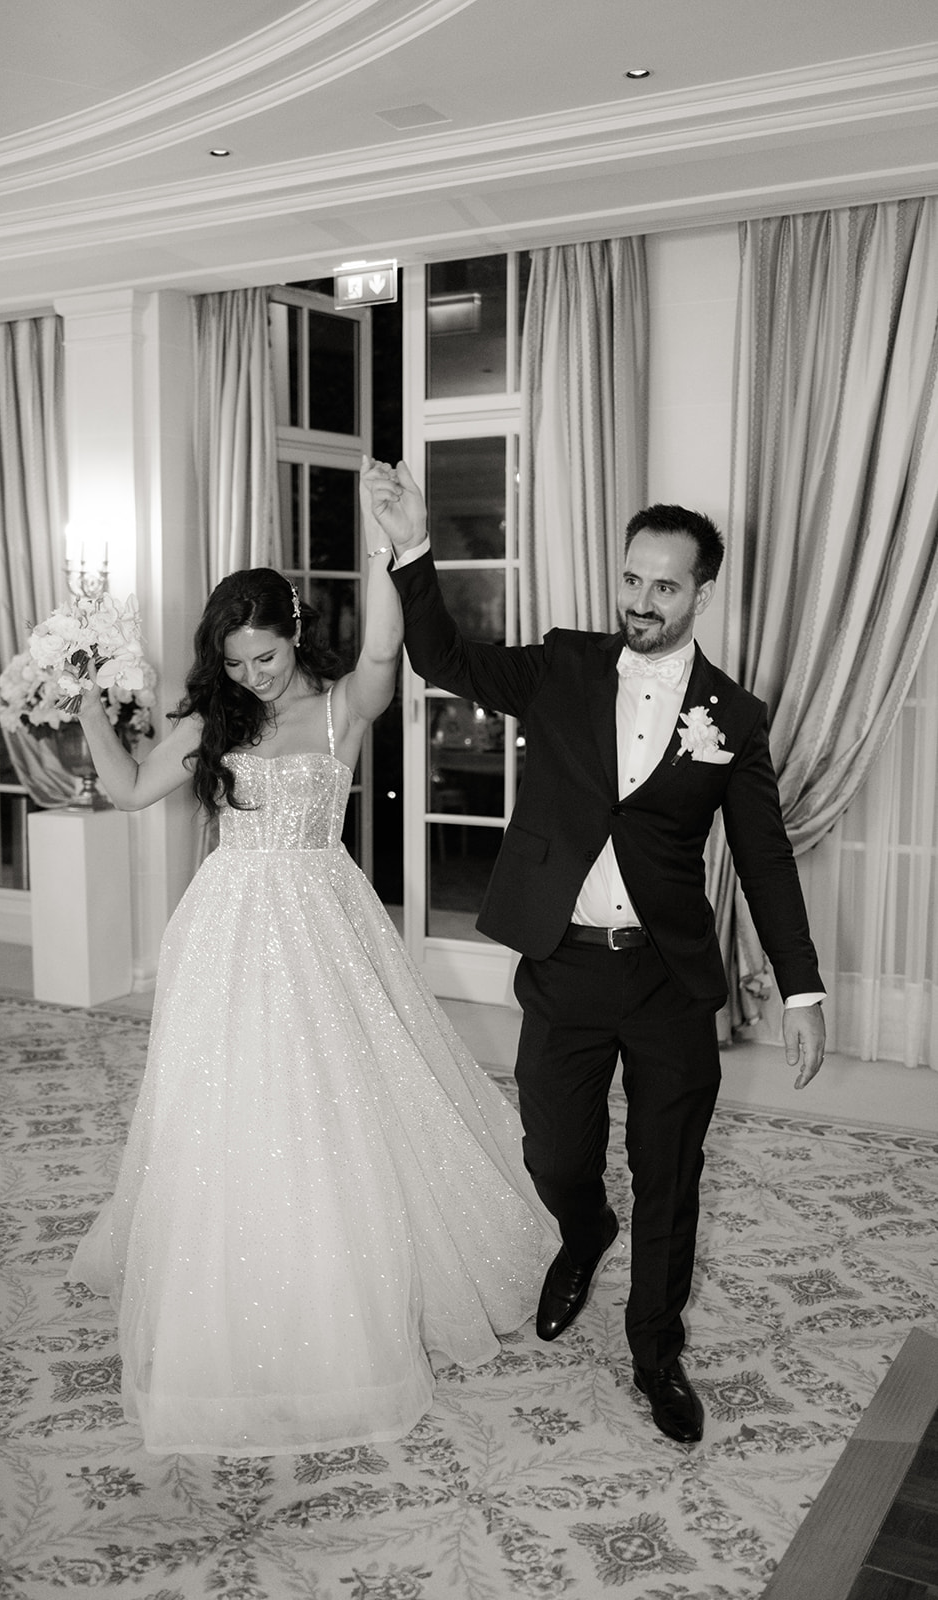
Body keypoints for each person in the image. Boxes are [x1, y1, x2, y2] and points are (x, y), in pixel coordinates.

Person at [65, 525, 558, 1457]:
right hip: (225, 924)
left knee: (341, 1097)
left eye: (266, 653)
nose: (252, 673)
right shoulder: (217, 722)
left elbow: (383, 649)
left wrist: (387, 547)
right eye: (237, 659)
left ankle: (341, 1279)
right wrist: (86, 703)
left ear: (294, 632)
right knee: (230, 1103)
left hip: (321, 916)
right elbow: (129, 790)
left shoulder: (341, 711)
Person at [362, 457, 826, 1446]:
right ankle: (582, 1230)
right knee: (553, 1152)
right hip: (564, 963)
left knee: (669, 1171)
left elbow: (763, 857)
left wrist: (800, 989)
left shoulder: (731, 718)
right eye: (629, 579)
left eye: (662, 585)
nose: (640, 602)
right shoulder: (565, 666)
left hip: (665, 980)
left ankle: (653, 1348)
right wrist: (410, 547)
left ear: (700, 590)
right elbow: (442, 657)